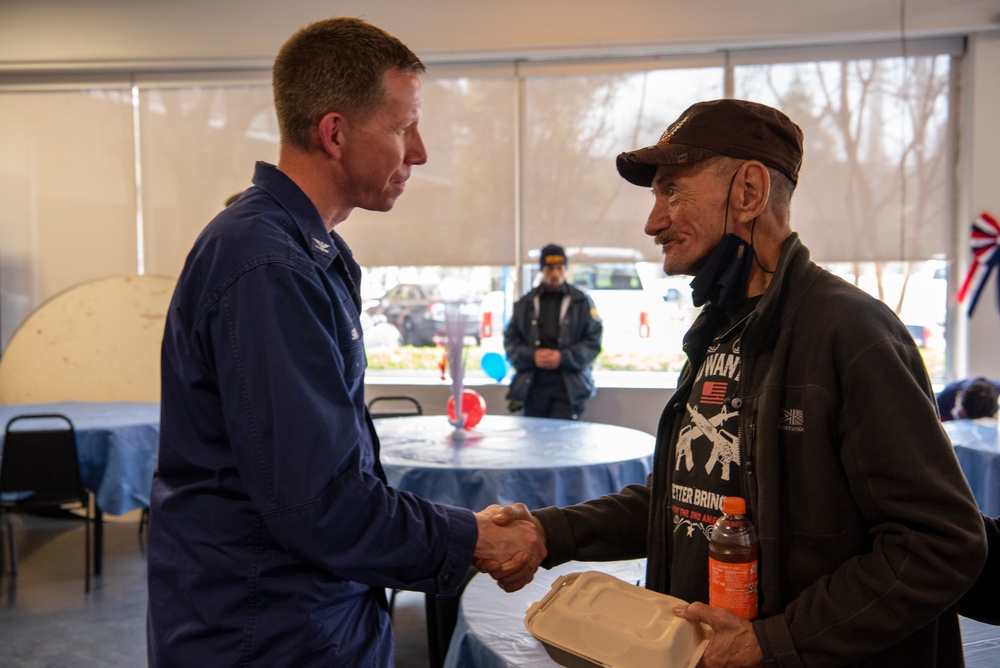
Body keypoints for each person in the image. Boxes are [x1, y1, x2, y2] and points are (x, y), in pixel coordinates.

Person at [483, 99, 987, 666]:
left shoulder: (851, 333)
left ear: (748, 193)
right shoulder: (720, 331)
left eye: (672, 190)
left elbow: (940, 544)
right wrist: (550, 532)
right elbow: (687, 499)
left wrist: (772, 642)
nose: (653, 221)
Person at [146, 18, 543, 667]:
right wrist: (472, 537)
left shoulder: (299, 252)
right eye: (401, 126)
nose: (418, 151)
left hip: (305, 614)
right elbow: (320, 503)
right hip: (268, 633)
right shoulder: (268, 266)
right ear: (334, 133)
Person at [503, 244, 603, 420]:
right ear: (542, 269)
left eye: (559, 268)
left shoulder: (582, 302)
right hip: (532, 388)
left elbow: (593, 343)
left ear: (565, 268)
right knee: (533, 443)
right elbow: (510, 343)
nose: (555, 274)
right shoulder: (524, 304)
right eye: (550, 268)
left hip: (569, 389)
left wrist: (562, 357)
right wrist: (532, 356)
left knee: (564, 443)